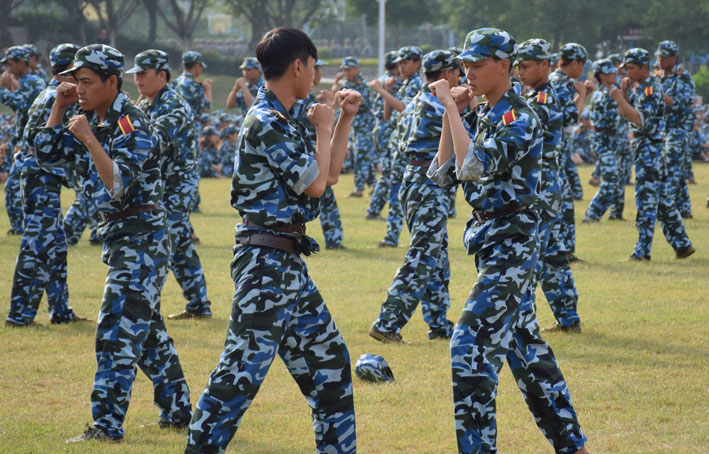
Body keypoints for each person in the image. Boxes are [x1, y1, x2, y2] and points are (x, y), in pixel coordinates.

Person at [185, 28, 361, 454]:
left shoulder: (282, 118)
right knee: (238, 377)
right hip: (265, 262)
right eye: (314, 65)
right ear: (298, 65)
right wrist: (322, 125)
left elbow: (330, 174)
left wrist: (343, 119)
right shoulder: (266, 121)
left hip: (286, 262)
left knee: (331, 367)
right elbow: (317, 186)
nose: (317, 74)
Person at [426, 28, 589, 454]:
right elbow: (442, 173)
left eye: (478, 66)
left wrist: (450, 105)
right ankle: (573, 444)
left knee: (468, 345)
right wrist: (452, 115)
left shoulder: (519, 115)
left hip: (512, 243)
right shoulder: (483, 114)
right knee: (529, 354)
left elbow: (474, 167)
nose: (469, 74)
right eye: (465, 66)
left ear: (504, 66)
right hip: (490, 241)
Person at [33, 44, 192, 442]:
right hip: (122, 238)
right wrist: (59, 108)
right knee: (148, 333)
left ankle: (106, 426)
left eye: (85, 82)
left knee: (116, 330)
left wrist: (88, 140)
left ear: (111, 82)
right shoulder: (91, 117)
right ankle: (179, 411)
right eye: (74, 81)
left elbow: (118, 186)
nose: (78, 89)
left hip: (142, 239)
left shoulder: (130, 124)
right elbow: (47, 155)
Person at [369, 50, 460, 344]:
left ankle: (439, 323)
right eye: (458, 72)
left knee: (437, 255)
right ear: (446, 75)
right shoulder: (438, 105)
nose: (461, 77)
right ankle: (387, 323)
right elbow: (466, 138)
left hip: (417, 181)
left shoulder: (418, 101)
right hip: (428, 184)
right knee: (422, 256)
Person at [128, 49, 213, 321]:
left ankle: (150, 308)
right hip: (159, 185)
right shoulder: (146, 105)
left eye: (143, 74)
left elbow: (152, 143)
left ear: (162, 75)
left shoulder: (173, 104)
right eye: (136, 75)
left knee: (165, 241)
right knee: (178, 245)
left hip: (177, 185)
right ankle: (199, 304)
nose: (138, 80)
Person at [5, 43, 85, 327]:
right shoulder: (61, 96)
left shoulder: (48, 91)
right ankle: (19, 315)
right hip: (41, 176)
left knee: (56, 246)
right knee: (38, 246)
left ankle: (60, 310)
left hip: (42, 175)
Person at [516, 38, 583, 333]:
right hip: (548, 184)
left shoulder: (541, 99)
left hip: (539, 187)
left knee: (529, 254)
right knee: (553, 255)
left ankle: (523, 324)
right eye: (518, 66)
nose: (520, 71)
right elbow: (571, 119)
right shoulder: (545, 93)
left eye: (526, 66)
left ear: (545, 65)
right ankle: (568, 318)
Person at [610, 48, 695, 260]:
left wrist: (620, 99)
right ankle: (682, 244)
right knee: (664, 201)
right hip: (649, 149)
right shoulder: (640, 88)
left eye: (631, 68)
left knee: (646, 203)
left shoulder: (650, 90)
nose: (627, 72)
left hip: (649, 149)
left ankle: (642, 252)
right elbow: (625, 115)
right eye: (625, 68)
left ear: (644, 68)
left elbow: (641, 121)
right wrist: (625, 94)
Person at [370, 46, 423, 248]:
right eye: (399, 63)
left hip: (407, 146)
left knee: (402, 192)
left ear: (417, 63)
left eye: (405, 62)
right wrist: (389, 91)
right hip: (397, 144)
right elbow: (387, 116)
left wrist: (382, 90)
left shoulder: (416, 83)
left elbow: (404, 108)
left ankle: (396, 236)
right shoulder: (404, 83)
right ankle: (392, 235)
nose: (401, 66)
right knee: (397, 190)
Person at [549, 43, 591, 262]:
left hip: (557, 153)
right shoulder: (562, 84)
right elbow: (570, 120)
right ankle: (561, 251)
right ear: (574, 62)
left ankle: (563, 250)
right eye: (582, 64)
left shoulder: (559, 83)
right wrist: (582, 95)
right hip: (554, 154)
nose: (582, 70)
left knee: (563, 202)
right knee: (561, 204)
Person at [0, 45, 46, 235]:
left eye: (11, 64)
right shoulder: (28, 81)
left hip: (29, 146)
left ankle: (20, 228)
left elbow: (18, 103)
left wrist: (2, 90)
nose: (8, 69)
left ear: (21, 63)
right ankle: (20, 227)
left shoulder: (32, 81)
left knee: (14, 188)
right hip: (23, 143)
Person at [656, 40, 695, 218]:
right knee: (675, 170)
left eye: (664, 56)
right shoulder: (658, 77)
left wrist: (659, 95)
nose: (660, 60)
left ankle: (667, 208)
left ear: (674, 57)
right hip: (664, 128)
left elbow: (680, 103)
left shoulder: (683, 77)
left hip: (679, 128)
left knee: (670, 163)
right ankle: (684, 209)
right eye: (658, 56)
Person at [309, 59, 345, 249]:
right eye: (317, 68)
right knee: (325, 194)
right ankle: (333, 238)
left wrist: (332, 106)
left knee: (327, 195)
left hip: (315, 157)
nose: (319, 72)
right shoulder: (303, 99)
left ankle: (334, 237)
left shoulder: (307, 97)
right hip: (311, 159)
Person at [583, 58, 623, 222]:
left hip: (611, 140)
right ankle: (591, 215)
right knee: (611, 180)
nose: (614, 73)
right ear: (601, 75)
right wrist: (623, 97)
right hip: (603, 142)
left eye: (614, 71)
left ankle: (610, 214)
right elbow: (618, 111)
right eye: (609, 72)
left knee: (615, 178)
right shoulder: (602, 95)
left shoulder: (613, 91)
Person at [174, 51, 212, 215]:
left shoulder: (175, 83)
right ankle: (193, 202)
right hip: (191, 129)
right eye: (200, 66)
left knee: (177, 165)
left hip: (176, 129)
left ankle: (179, 200)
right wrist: (207, 89)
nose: (201, 69)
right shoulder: (194, 85)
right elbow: (207, 107)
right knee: (192, 166)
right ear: (196, 66)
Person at [332, 56, 376, 198]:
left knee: (360, 156)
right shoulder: (348, 83)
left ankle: (358, 189)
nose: (347, 72)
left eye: (349, 69)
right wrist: (337, 81)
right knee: (362, 156)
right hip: (356, 125)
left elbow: (361, 102)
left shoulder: (360, 84)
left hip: (364, 125)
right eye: (345, 69)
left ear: (356, 69)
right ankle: (374, 184)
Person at [366, 50, 401, 221]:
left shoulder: (383, 80)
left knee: (389, 174)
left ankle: (374, 209)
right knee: (388, 174)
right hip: (386, 129)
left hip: (382, 128)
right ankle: (373, 210)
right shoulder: (391, 81)